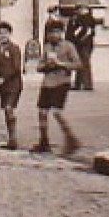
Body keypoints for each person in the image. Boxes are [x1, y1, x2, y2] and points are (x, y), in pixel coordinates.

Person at [32, 21, 82, 156]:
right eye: (50, 32)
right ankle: (44, 142)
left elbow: (78, 64)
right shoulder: (47, 47)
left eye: (56, 32)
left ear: (61, 33)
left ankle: (71, 139)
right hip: (47, 82)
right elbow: (38, 67)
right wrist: (46, 65)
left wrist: (61, 64)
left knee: (57, 112)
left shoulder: (68, 46)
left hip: (62, 82)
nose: (53, 35)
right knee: (42, 112)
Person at [0, 21, 23, 149]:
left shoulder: (14, 48)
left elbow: (16, 67)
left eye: (5, 33)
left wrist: (4, 78)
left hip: (13, 84)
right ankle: (10, 139)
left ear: (10, 34)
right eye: (0, 33)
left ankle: (14, 140)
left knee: (9, 108)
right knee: (6, 110)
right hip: (2, 86)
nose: (3, 36)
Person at [65, 5, 98, 91]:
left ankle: (87, 84)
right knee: (80, 63)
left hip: (84, 44)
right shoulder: (79, 18)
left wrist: (78, 39)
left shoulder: (87, 19)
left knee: (85, 63)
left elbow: (87, 32)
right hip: (81, 44)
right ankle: (78, 84)